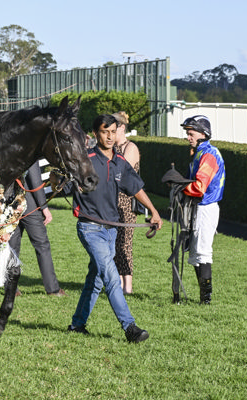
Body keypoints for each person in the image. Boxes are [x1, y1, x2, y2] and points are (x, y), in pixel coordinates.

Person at [58, 114, 163, 343]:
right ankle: (130, 327)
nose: (109, 136)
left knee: (95, 279)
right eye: (105, 132)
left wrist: (153, 211)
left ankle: (77, 325)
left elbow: (136, 188)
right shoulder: (85, 159)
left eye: (113, 132)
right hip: (90, 229)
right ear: (95, 134)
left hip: (111, 231)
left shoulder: (120, 162)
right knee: (111, 276)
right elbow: (62, 185)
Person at [180, 115, 225, 305]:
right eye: (187, 133)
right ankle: (203, 297)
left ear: (203, 134)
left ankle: (206, 300)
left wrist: (179, 186)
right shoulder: (199, 152)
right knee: (194, 253)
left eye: (191, 133)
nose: (188, 137)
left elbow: (199, 187)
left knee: (203, 252)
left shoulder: (208, 154)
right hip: (198, 207)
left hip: (206, 207)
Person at [9, 162, 65, 296]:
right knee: (42, 245)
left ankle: (11, 288)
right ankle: (52, 289)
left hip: (10, 203)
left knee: (12, 246)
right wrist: (44, 208)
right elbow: (35, 181)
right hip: (29, 205)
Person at [112, 111, 140, 295]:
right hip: (110, 202)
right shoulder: (111, 148)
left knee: (124, 244)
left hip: (126, 204)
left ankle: (127, 286)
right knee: (113, 245)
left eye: (113, 128)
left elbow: (122, 172)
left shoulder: (131, 148)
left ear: (122, 128)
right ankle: (117, 283)